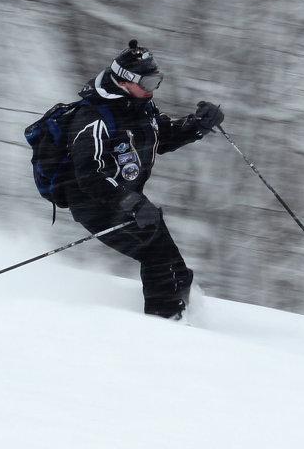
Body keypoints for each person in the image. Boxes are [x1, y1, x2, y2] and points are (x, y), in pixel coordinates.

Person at [62, 40, 224, 319]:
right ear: (124, 81)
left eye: (156, 80)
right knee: (157, 256)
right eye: (148, 81)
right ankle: (163, 325)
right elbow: (90, 175)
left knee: (173, 266)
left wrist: (198, 125)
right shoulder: (93, 119)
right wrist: (130, 202)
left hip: (128, 201)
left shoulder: (139, 107)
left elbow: (160, 137)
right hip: (97, 204)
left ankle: (186, 314)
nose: (153, 88)